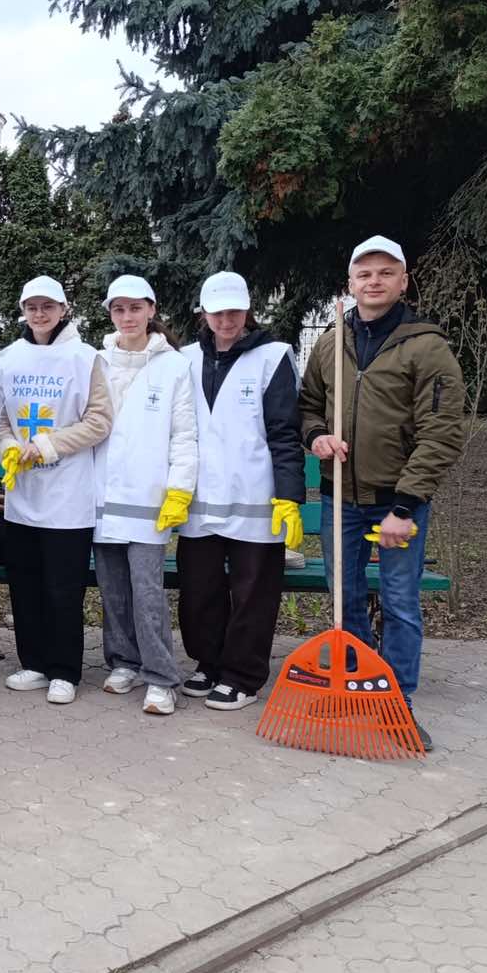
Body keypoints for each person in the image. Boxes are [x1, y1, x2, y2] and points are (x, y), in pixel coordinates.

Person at [299, 236, 462, 749]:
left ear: (403, 280)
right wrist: (315, 436)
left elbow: (442, 431)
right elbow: (308, 405)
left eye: (385, 273)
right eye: (364, 274)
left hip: (396, 502)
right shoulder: (331, 341)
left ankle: (397, 704)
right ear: (350, 284)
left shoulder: (426, 345)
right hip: (339, 497)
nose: (373, 281)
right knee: (344, 603)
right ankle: (355, 691)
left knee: (399, 603)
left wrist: (404, 507)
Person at [176, 272, 305, 711]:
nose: (226, 320)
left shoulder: (272, 358)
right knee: (200, 591)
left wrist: (290, 496)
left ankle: (243, 676)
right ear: (204, 313)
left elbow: (286, 433)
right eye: (217, 312)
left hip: (256, 500)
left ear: (248, 310)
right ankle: (208, 663)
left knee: (252, 593)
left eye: (234, 311)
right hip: (197, 502)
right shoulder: (185, 359)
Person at [0, 276, 113, 705]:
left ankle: (65, 669)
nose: (39, 314)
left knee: (63, 587)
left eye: (48, 306)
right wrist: (9, 448)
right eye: (32, 307)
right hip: (23, 493)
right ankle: (34, 662)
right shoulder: (7, 357)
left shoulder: (86, 358)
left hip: (68, 493)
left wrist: (44, 446)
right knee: (24, 582)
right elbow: (1, 422)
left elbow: (99, 421)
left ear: (64, 309)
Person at [93, 275, 197, 715]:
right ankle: (124, 661)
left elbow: (185, 435)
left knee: (147, 592)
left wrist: (179, 489)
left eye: (135, 308)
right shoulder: (97, 361)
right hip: (102, 497)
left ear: (152, 310)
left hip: (150, 500)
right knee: (112, 589)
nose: (127, 317)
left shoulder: (173, 366)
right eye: (119, 309)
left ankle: (161, 676)